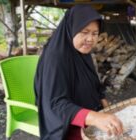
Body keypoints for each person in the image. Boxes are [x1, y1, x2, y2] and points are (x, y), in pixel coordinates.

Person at [34, 5, 123, 140]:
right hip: (66, 125)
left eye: (94, 33)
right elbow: (56, 105)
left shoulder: (82, 53)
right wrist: (94, 118)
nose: (90, 39)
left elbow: (95, 86)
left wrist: (108, 109)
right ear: (71, 29)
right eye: (84, 32)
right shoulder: (55, 58)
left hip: (90, 115)